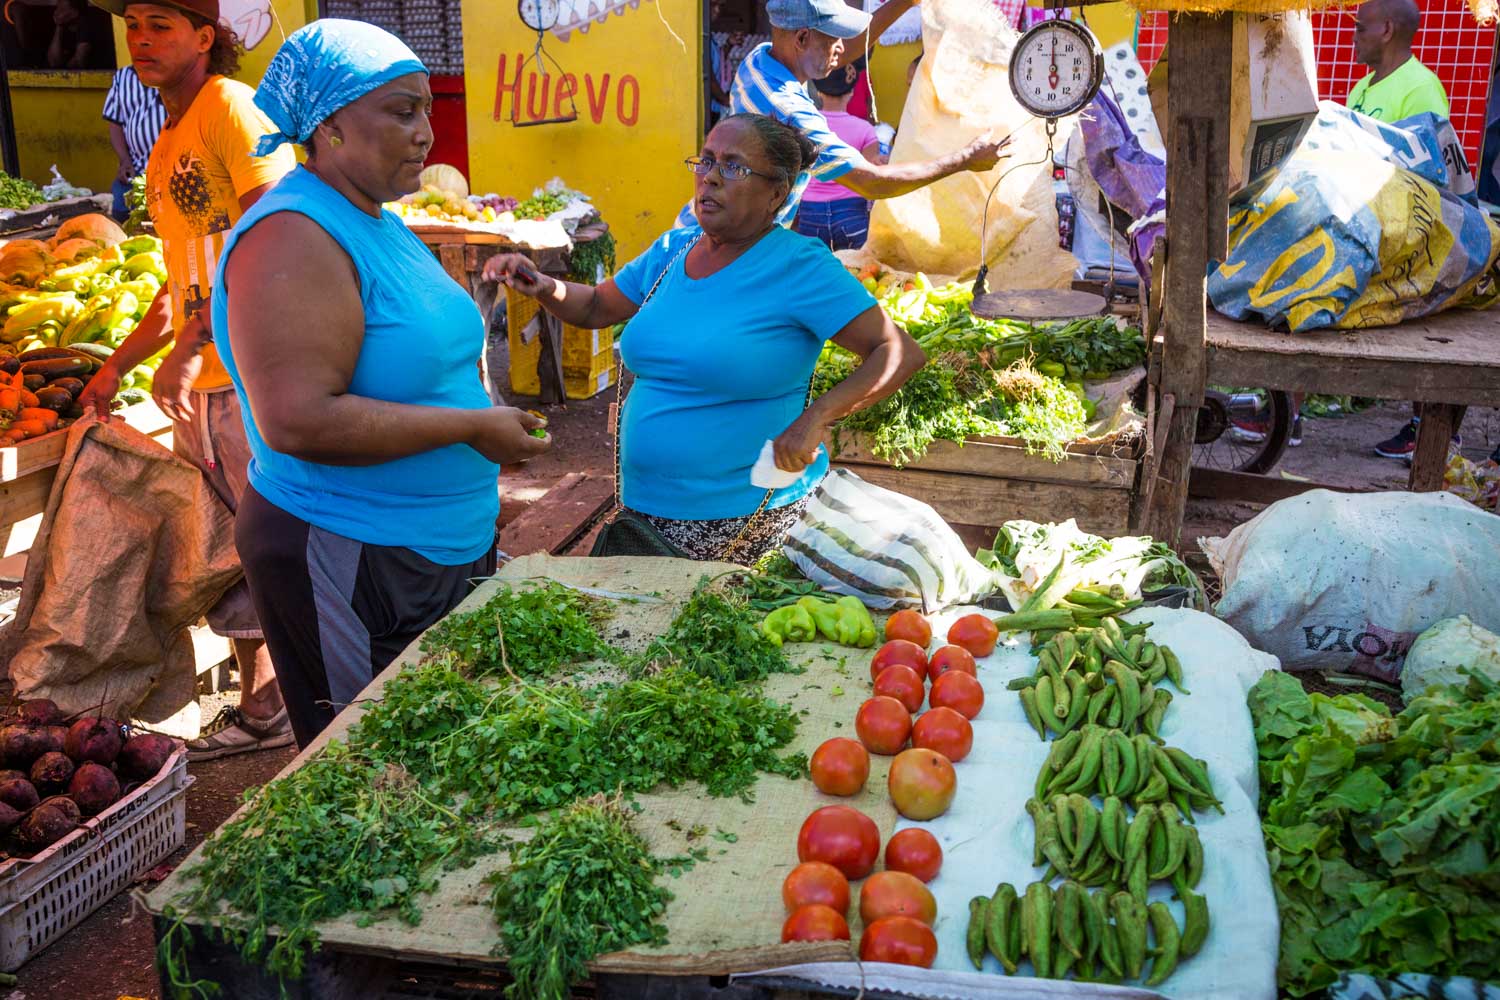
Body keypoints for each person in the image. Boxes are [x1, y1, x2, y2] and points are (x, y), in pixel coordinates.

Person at [212, 20, 551, 748]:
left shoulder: (376, 217)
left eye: (426, 108)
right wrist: (470, 428)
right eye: (402, 111)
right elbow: (299, 421)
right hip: (346, 553)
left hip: (424, 549)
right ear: (329, 123)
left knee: (435, 762)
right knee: (368, 773)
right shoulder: (293, 235)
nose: (426, 133)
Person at [492, 113, 924, 563]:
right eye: (706, 161)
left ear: (776, 192)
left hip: (744, 521)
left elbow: (898, 352)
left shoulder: (799, 266)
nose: (711, 178)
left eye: (734, 167)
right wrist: (545, 287)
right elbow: (598, 306)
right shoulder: (674, 248)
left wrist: (815, 418)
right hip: (643, 512)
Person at [79, 0, 296, 760]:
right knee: (234, 546)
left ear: (206, 37)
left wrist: (194, 345)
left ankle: (295, 703)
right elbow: (184, 281)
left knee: (275, 537)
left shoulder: (230, 110)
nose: (141, 39)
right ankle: (263, 709)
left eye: (160, 24)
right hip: (199, 383)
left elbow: (269, 240)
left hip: (248, 375)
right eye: (133, 25)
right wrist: (119, 364)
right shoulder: (167, 139)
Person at [678, 0, 1009, 228]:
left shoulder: (761, 59)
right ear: (803, 38)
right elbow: (871, 182)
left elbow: (841, 53)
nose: (840, 47)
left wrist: (903, 3)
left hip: (710, 233)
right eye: (833, 37)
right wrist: (966, 159)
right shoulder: (789, 112)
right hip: (717, 251)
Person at [1346, 0, 1455, 461]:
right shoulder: (1362, 87)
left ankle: (1427, 429)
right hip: (1359, 216)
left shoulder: (1422, 90)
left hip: (1404, 229)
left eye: (1360, 27)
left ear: (1387, 29)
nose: (1354, 36)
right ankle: (1286, 418)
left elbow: (1430, 176)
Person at [798, 62, 883, 250]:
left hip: (810, 212)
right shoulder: (865, 130)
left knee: (813, 273)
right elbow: (872, 178)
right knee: (855, 272)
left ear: (819, 92)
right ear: (851, 92)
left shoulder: (806, 127)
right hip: (852, 212)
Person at [102, 64, 167, 221]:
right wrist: (124, 160)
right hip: (136, 171)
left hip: (171, 173)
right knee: (121, 213)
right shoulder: (122, 77)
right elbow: (116, 122)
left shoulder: (175, 73)